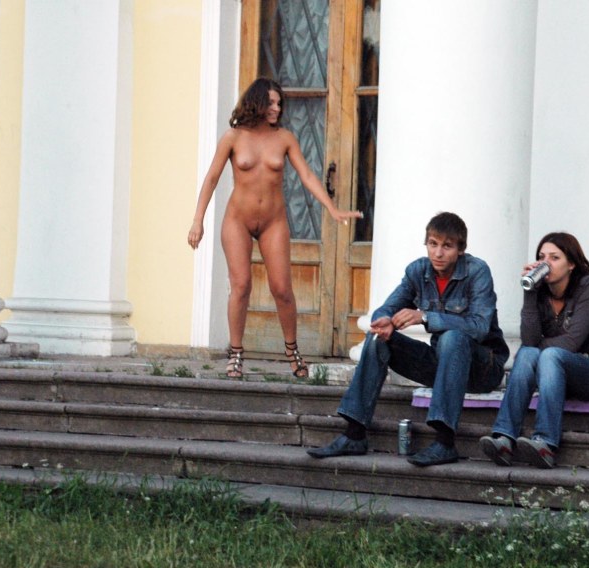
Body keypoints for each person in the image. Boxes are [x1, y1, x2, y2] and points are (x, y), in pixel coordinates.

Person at [188, 78, 361, 379]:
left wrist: (332, 209)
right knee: (241, 286)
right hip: (237, 221)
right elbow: (212, 178)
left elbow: (307, 176)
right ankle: (236, 354)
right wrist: (197, 220)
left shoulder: (284, 138)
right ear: (256, 102)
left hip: (273, 221)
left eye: (279, 103)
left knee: (282, 289)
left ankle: (292, 351)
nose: (276, 108)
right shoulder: (233, 137)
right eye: (271, 103)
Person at [307, 212, 509, 467]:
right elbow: (385, 308)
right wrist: (385, 321)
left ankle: (445, 442)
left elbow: (479, 328)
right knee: (378, 337)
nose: (438, 253)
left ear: (461, 249)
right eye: (433, 244)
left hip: (483, 369)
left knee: (453, 338)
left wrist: (424, 316)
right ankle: (354, 434)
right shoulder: (418, 271)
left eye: (447, 246)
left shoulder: (477, 271)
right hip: (442, 367)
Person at [478, 232, 589, 469]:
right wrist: (529, 293)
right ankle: (504, 438)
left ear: (571, 264)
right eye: (542, 257)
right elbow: (529, 340)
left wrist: (536, 350)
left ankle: (545, 443)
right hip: (556, 373)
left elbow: (572, 342)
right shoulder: (541, 292)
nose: (546, 263)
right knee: (528, 353)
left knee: (546, 354)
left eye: (554, 258)